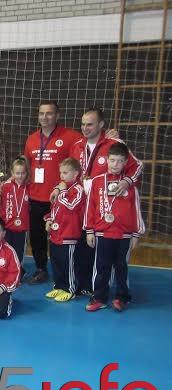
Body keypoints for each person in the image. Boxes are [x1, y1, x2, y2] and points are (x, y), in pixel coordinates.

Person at [67, 108, 143, 296]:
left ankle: (107, 290)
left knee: (107, 256)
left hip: (106, 208)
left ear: (101, 124)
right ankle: (85, 285)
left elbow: (137, 165)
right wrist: (62, 186)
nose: (85, 128)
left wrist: (127, 181)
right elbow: (70, 171)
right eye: (83, 124)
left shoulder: (114, 143)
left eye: (90, 124)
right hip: (81, 205)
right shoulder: (76, 145)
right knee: (83, 247)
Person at [24, 101, 82, 284]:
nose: (45, 117)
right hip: (36, 196)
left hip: (61, 198)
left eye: (49, 113)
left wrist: (109, 135)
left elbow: (89, 145)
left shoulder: (71, 137)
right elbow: (27, 166)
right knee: (37, 236)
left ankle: (68, 271)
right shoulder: (31, 139)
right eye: (41, 113)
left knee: (62, 237)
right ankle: (41, 268)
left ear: (57, 116)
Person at [84, 143, 144, 312]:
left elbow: (136, 210)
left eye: (119, 161)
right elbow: (90, 207)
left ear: (125, 163)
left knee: (121, 267)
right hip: (103, 233)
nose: (115, 164)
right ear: (107, 160)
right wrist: (89, 230)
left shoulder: (130, 185)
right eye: (112, 160)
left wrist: (136, 234)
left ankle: (122, 297)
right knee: (101, 267)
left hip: (124, 234)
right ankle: (99, 298)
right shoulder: (97, 181)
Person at [44, 158, 85, 302]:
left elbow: (72, 205)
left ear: (75, 174)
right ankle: (59, 286)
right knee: (56, 262)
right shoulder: (61, 188)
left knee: (68, 264)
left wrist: (61, 191)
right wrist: (49, 219)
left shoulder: (78, 189)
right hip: (56, 233)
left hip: (69, 234)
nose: (62, 176)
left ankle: (70, 289)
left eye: (65, 173)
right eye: (61, 172)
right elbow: (55, 208)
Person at [0, 157, 31, 278]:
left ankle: (18, 272)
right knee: (6, 250)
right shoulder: (5, 186)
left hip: (22, 227)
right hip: (7, 225)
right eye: (17, 173)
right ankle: (6, 271)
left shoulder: (29, 187)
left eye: (23, 173)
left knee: (19, 251)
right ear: (12, 172)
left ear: (26, 173)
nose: (20, 176)